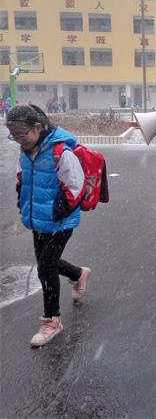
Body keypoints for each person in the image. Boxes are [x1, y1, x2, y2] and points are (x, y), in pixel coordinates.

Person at [6, 104, 92, 347]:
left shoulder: (60, 151)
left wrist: (59, 211)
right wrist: (23, 201)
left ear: (38, 127)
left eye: (22, 133)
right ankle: (78, 274)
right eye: (14, 135)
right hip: (37, 219)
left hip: (60, 221)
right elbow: (22, 179)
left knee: (45, 268)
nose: (19, 139)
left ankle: (52, 321)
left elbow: (75, 186)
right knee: (47, 262)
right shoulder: (26, 152)